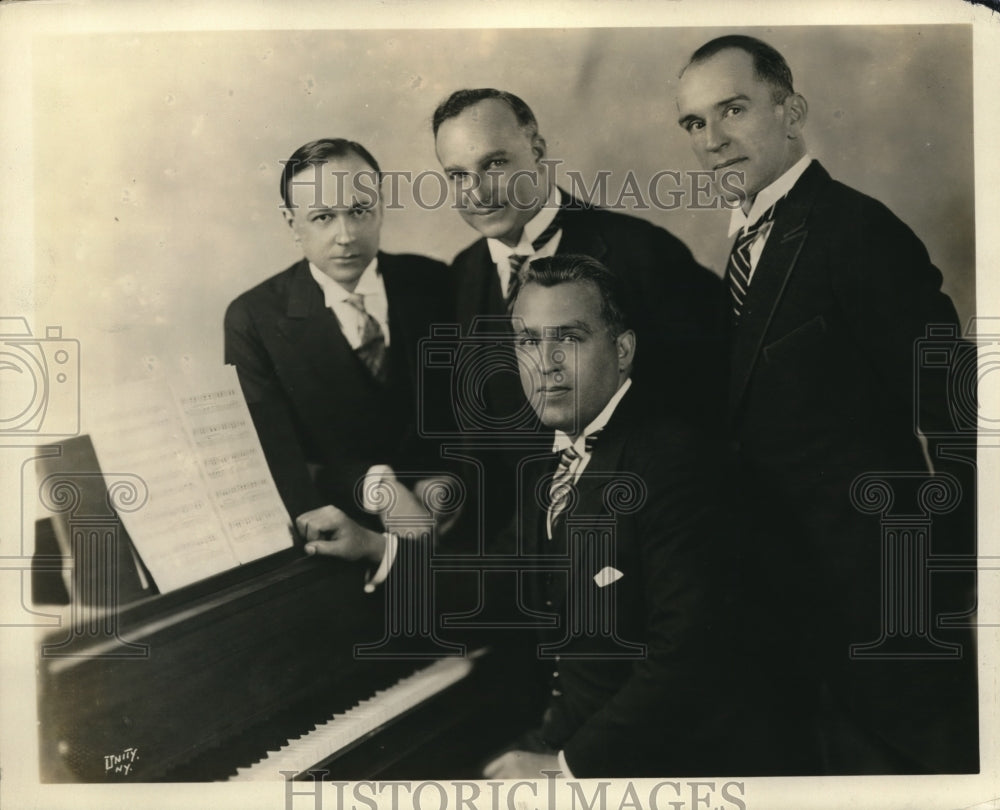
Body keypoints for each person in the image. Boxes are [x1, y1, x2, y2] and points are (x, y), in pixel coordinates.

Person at [676, 35, 977, 773]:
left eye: (733, 110)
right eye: (693, 123)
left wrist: (943, 585)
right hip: (787, 611)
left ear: (791, 109)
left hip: (884, 619)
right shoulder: (746, 239)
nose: (712, 141)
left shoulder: (858, 232)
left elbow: (959, 417)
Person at [432, 89, 725, 551]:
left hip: (640, 539)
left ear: (538, 151)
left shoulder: (641, 253)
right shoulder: (462, 276)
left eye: (494, 165)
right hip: (529, 559)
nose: (477, 192)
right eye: (457, 175)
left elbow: (708, 408)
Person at [482, 254, 738, 778]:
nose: (545, 362)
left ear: (623, 351)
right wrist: (384, 550)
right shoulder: (548, 460)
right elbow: (495, 580)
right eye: (528, 341)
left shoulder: (672, 461)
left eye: (568, 339)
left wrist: (565, 767)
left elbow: (687, 656)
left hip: (652, 763)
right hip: (569, 735)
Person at [224, 138, 454, 542]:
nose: (345, 236)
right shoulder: (254, 318)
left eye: (359, 211)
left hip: (455, 524)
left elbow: (476, 414)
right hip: (345, 535)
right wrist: (379, 489)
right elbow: (277, 458)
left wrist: (455, 478)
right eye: (323, 217)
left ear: (381, 208)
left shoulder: (434, 282)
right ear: (291, 222)